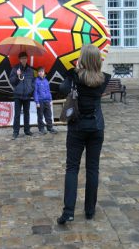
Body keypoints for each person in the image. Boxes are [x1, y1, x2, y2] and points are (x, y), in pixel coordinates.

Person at [57, 44, 111, 224]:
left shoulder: (74, 77)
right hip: (96, 127)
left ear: (83, 59)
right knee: (92, 169)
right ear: (97, 60)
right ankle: (89, 210)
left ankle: (69, 212)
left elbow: (62, 90)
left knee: (72, 168)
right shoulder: (103, 80)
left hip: (78, 128)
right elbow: (92, 81)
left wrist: (73, 70)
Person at [9, 51, 34, 139]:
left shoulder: (30, 70)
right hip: (18, 95)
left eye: (25, 58)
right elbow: (12, 82)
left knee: (27, 113)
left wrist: (31, 90)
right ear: (19, 59)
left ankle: (27, 130)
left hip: (27, 95)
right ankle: (15, 132)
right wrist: (17, 75)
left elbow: (32, 81)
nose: (24, 60)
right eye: (22, 58)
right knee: (17, 114)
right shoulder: (15, 69)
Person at [34, 67, 58, 134]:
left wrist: (50, 100)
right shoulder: (36, 81)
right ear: (38, 73)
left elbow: (48, 91)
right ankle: (41, 129)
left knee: (48, 115)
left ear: (44, 73)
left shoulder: (46, 81)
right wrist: (37, 102)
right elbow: (35, 92)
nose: (41, 73)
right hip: (40, 101)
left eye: (42, 71)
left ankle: (50, 128)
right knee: (40, 116)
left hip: (47, 101)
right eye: (39, 72)